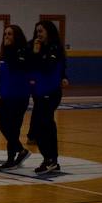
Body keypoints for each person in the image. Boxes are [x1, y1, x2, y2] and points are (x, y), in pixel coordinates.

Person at [27, 20, 67, 174]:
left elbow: (48, 67)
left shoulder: (54, 48)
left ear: (49, 32)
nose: (38, 34)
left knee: (46, 124)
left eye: (41, 31)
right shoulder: (35, 47)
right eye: (37, 31)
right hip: (38, 92)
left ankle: (51, 159)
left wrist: (37, 54)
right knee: (38, 126)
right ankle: (49, 159)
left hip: (51, 92)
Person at [0, 25, 31, 170]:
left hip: (19, 96)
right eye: (5, 34)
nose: (6, 36)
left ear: (16, 36)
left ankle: (11, 159)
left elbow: (16, 65)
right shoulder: (5, 54)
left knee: (13, 128)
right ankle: (21, 150)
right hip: (6, 96)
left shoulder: (22, 52)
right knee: (2, 123)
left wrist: (9, 50)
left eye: (10, 34)